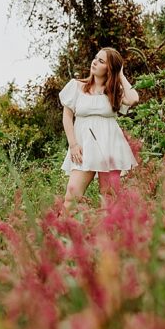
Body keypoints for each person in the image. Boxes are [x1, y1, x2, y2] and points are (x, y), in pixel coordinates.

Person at [60, 47, 139, 209]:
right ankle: (65, 230)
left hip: (110, 147)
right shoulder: (76, 86)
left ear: (109, 69)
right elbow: (67, 117)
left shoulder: (115, 91)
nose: (95, 62)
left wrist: (121, 74)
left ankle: (108, 233)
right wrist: (73, 144)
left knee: (109, 198)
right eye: (96, 58)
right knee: (72, 196)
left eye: (101, 61)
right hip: (83, 148)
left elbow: (133, 99)